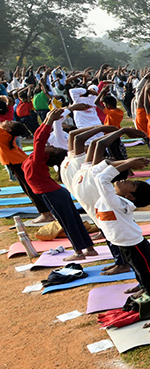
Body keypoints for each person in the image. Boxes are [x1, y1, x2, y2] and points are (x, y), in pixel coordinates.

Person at [80, 134, 150, 331]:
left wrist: (127, 163)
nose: (125, 180)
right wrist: (124, 164)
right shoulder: (112, 198)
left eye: (130, 183)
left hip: (136, 247)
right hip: (125, 246)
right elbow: (95, 175)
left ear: (130, 195)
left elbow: (102, 179)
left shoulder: (119, 203)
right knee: (145, 282)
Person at [23, 109, 99, 260]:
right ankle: (89, 249)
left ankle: (79, 252)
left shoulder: (38, 159)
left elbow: (40, 139)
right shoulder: (35, 157)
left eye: (53, 147)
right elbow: (38, 137)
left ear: (49, 154)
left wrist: (50, 121)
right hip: (55, 193)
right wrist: (47, 119)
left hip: (52, 194)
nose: (51, 144)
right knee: (73, 220)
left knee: (67, 222)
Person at [0, 119, 54, 224]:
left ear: (8, 129)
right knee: (31, 188)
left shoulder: (3, 134)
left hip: (17, 163)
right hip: (19, 161)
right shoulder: (5, 133)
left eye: (10, 122)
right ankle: (47, 213)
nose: (7, 120)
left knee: (30, 189)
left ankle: (46, 214)